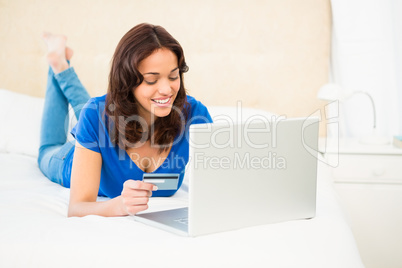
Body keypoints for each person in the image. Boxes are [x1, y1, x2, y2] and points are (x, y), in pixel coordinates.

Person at [38, 23, 212, 217]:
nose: (166, 90)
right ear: (127, 81)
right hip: (68, 160)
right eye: (151, 80)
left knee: (96, 112)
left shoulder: (195, 116)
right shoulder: (96, 115)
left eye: (173, 76)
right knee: (52, 144)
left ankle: (62, 66)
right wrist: (119, 206)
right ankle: (58, 65)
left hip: (106, 115)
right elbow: (77, 208)